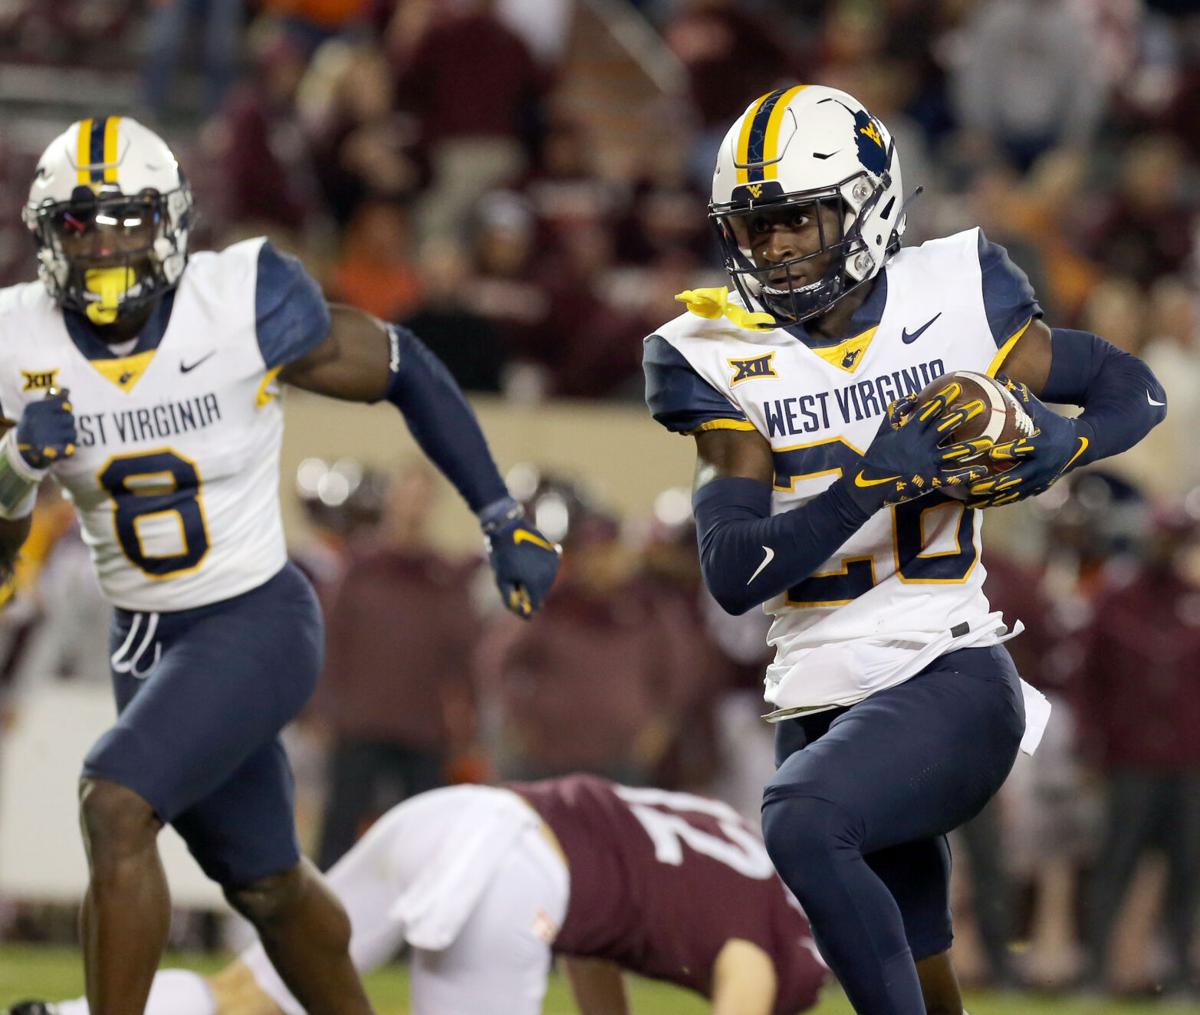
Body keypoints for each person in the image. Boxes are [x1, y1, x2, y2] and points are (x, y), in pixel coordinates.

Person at [0, 116, 561, 1015]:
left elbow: (401, 362)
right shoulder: (17, 340)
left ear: (172, 222)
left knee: (113, 805)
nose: (105, 245)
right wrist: (15, 468)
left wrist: (500, 515)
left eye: (126, 220)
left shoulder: (239, 302)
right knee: (265, 884)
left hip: (251, 618)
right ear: (46, 235)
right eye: (80, 225)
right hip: (139, 639)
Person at [642, 84, 1166, 1015]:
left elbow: (1132, 388)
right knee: (918, 969)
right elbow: (734, 572)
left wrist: (1065, 444)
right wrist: (875, 478)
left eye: (797, 221)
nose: (773, 249)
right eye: (754, 228)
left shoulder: (957, 292)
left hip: (947, 666)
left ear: (867, 203)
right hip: (817, 696)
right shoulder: (718, 349)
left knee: (803, 821)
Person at [12, 774, 829, 1015]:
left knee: (245, 998)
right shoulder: (798, 942)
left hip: (453, 816)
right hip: (514, 876)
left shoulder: (730, 828)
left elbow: (604, 925)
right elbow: (745, 988)